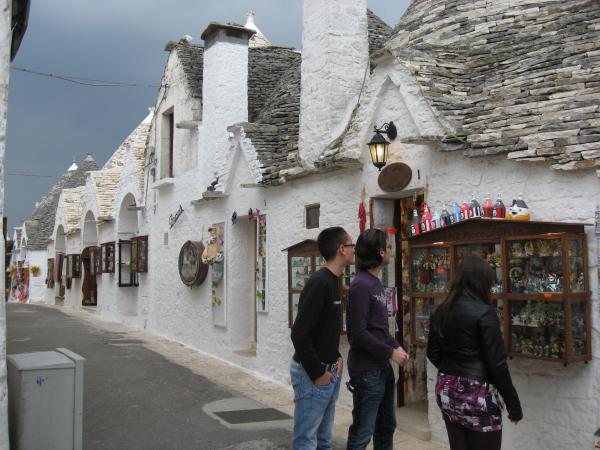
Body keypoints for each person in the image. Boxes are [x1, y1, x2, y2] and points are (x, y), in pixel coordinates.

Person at [427, 255, 523, 450]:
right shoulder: (485, 313)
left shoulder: (441, 310)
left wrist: (454, 373)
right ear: (482, 282)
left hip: (447, 389)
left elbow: (433, 352)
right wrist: (513, 406)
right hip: (477, 393)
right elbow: (497, 364)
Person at [290, 226, 355, 450]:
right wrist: (318, 373)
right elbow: (299, 333)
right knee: (306, 440)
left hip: (328, 372)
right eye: (351, 245)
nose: (354, 249)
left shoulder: (333, 281)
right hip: (313, 375)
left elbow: (324, 330)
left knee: (323, 441)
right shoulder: (320, 282)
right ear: (341, 249)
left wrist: (336, 357)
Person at [346, 228, 409, 450]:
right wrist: (390, 352)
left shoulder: (375, 283)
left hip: (381, 368)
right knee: (363, 432)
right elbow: (358, 333)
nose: (392, 250)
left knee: (386, 427)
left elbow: (378, 330)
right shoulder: (361, 285)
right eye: (389, 246)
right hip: (366, 371)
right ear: (381, 252)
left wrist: (395, 346)